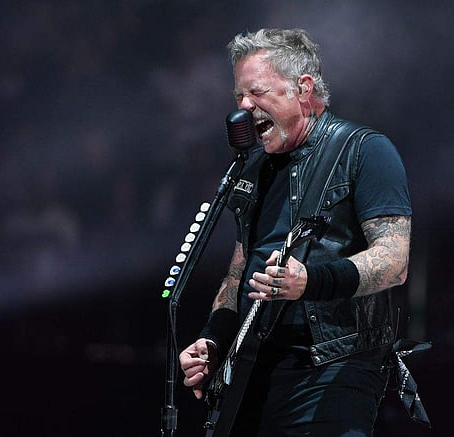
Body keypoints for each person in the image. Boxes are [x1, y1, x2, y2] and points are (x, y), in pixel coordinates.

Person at [179, 28, 415, 436]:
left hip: (333, 365)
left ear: (303, 88)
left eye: (256, 92)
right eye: (239, 96)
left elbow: (394, 261)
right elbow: (238, 273)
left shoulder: (364, 150)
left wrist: (310, 282)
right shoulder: (254, 169)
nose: (244, 106)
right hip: (253, 366)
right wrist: (214, 339)